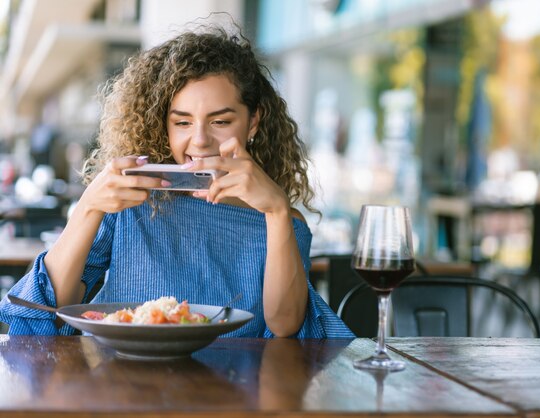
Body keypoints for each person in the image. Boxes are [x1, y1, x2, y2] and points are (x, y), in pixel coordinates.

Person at [0, 23, 354, 338]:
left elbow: (285, 324)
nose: (199, 140)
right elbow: (50, 307)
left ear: (254, 122)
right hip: (123, 385)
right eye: (182, 122)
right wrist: (89, 208)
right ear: (163, 126)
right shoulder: (131, 202)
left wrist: (277, 209)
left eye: (220, 121)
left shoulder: (282, 220)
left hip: (231, 394)